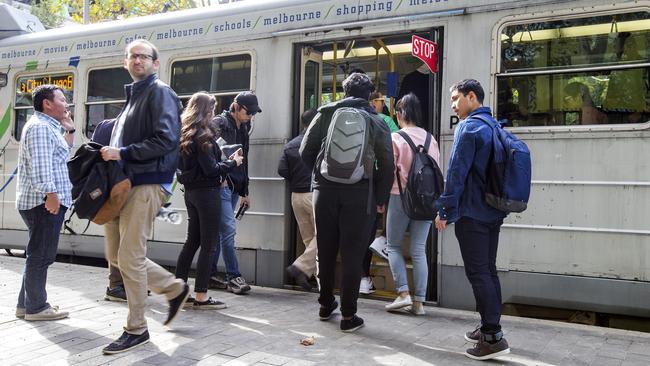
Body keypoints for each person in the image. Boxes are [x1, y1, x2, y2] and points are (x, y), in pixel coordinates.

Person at [99, 39, 189, 355]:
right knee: (116, 255)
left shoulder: (160, 92)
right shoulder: (134, 97)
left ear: (155, 63)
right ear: (125, 63)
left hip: (147, 182)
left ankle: (136, 329)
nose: (137, 60)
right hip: (123, 184)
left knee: (131, 256)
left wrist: (122, 152)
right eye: (132, 56)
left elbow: (166, 139)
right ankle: (174, 288)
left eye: (143, 56)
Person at [300, 73, 394, 332]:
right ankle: (349, 316)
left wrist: (321, 176)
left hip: (324, 191)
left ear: (344, 91)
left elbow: (304, 151)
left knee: (326, 251)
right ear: (369, 95)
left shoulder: (325, 113)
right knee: (353, 255)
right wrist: (380, 198)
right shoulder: (376, 121)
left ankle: (324, 304)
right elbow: (387, 164)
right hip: (360, 193)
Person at [434, 79, 510, 361]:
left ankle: (492, 337)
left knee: (479, 273)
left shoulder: (468, 127)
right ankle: (486, 325)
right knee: (488, 270)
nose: (453, 105)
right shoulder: (493, 125)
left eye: (456, 99)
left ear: (471, 97)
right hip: (492, 211)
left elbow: (456, 175)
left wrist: (445, 212)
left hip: (472, 213)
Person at [175, 92, 243, 309]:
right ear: (205, 111)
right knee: (209, 245)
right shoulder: (203, 136)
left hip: (191, 194)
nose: (214, 113)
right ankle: (202, 296)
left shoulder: (185, 133)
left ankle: (178, 292)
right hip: (207, 194)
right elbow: (211, 170)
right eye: (212, 109)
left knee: (191, 242)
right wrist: (233, 163)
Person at [15, 84, 75, 321]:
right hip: (44, 202)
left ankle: (26, 305)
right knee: (41, 256)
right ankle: (37, 308)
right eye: (62, 99)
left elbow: (61, 157)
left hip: (44, 201)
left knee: (36, 254)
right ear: (47, 104)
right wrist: (51, 195)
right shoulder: (40, 128)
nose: (67, 104)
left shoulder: (49, 127)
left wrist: (69, 130)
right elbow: (42, 168)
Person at [384, 93, 440, 316]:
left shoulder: (395, 138)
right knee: (418, 250)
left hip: (400, 197)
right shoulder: (431, 139)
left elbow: (389, 172)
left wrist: (381, 200)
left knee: (394, 246)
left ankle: (403, 294)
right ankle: (419, 303)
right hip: (426, 200)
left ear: (399, 115)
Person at [208, 91, 261, 294]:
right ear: (236, 107)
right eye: (249, 112)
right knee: (228, 231)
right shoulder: (219, 123)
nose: (251, 116)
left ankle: (211, 274)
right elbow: (209, 150)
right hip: (222, 183)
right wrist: (220, 174)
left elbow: (243, 161)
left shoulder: (244, 126)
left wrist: (245, 191)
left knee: (222, 231)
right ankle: (233, 276)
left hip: (235, 185)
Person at [360, 91, 399, 294]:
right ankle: (383, 241)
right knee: (373, 228)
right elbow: (390, 155)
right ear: (372, 102)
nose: (382, 105)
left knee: (358, 234)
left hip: (355, 180)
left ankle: (362, 278)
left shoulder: (351, 118)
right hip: (377, 182)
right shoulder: (385, 121)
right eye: (380, 101)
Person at [280, 109, 319, 291]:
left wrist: (296, 179)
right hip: (314, 195)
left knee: (309, 238)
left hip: (296, 196)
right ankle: (301, 267)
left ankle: (309, 275)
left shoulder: (291, 144)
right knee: (324, 236)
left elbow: (282, 170)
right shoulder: (319, 144)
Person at [90, 119, 128, 302]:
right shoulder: (133, 125)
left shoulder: (103, 125)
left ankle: (119, 284)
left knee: (116, 237)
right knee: (124, 239)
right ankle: (116, 285)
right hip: (124, 187)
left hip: (107, 186)